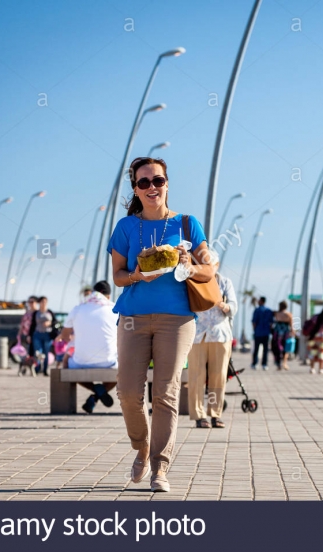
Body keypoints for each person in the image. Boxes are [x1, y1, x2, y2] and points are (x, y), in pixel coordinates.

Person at [108, 156, 215, 493]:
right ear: (136, 190)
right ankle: (141, 446)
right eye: (144, 183)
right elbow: (118, 277)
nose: (152, 187)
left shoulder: (186, 224)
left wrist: (190, 263)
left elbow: (209, 270)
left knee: (166, 393)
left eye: (157, 181)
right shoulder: (126, 228)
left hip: (178, 318)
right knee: (127, 392)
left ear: (167, 184)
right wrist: (138, 275)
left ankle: (160, 468)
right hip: (133, 319)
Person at [188, 250, 237, 428]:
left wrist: (224, 306)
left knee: (218, 377)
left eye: (211, 265)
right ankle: (199, 415)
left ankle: (215, 414)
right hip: (197, 335)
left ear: (216, 266)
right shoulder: (192, 282)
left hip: (220, 334)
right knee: (196, 376)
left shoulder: (225, 283)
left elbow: (234, 307)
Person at [56, 281, 119, 414]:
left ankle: (96, 393)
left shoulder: (78, 308)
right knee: (120, 372)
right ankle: (98, 393)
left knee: (67, 364)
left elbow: (65, 336)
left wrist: (77, 341)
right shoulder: (115, 309)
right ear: (107, 296)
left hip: (81, 362)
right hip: (109, 362)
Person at [29, 296, 56, 376]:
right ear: (39, 303)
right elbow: (32, 325)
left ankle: (45, 370)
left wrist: (49, 323)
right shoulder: (36, 313)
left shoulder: (50, 312)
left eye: (45, 302)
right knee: (38, 352)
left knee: (46, 353)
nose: (43, 303)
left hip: (47, 334)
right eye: (42, 302)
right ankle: (37, 369)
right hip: (37, 334)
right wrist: (29, 335)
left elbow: (55, 322)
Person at [307, 306, 323, 374]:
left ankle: (312, 368)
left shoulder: (316, 316)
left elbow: (311, 324)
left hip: (315, 336)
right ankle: (321, 369)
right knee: (322, 353)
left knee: (313, 352)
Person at [251, 297, 273, 370]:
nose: (258, 302)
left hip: (258, 333)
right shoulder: (269, 310)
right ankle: (264, 364)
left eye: (259, 301)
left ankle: (255, 363)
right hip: (266, 333)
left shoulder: (257, 310)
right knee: (265, 350)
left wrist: (254, 330)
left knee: (256, 349)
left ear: (262, 301)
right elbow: (271, 323)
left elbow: (254, 322)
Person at [271, 301, 294, 370]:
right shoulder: (289, 314)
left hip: (277, 333)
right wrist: (293, 333)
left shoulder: (276, 313)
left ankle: (278, 364)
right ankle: (284, 363)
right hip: (285, 333)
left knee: (277, 348)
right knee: (285, 349)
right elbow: (291, 325)